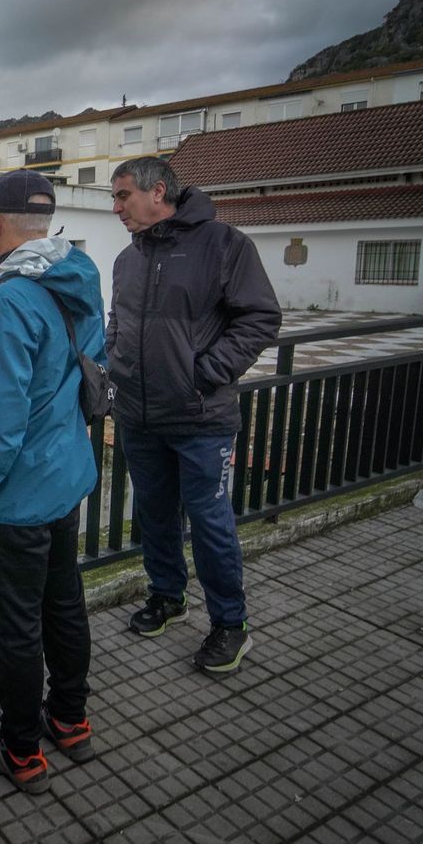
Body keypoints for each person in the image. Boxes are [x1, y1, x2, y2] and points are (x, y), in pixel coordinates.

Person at [0, 170, 106, 793]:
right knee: (64, 605)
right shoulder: (77, 279)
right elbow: (96, 366)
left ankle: (20, 752)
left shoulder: (10, 301)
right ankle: (70, 722)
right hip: (66, 476)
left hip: (17, 498)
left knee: (15, 628)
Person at [105, 157, 281, 673]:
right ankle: (168, 597)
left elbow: (261, 317)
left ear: (157, 191)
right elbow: (119, 321)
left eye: (122, 196)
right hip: (140, 416)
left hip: (201, 418)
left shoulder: (225, 245)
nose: (116, 208)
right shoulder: (128, 258)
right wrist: (117, 364)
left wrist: (204, 373)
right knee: (155, 515)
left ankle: (231, 624)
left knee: (210, 524)